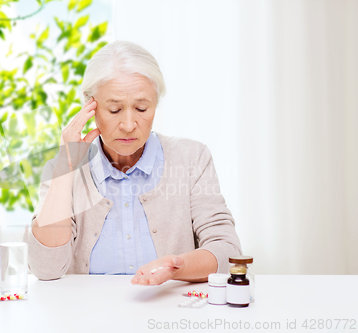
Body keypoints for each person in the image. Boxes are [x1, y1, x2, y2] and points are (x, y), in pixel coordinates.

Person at [27, 41, 242, 285]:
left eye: (141, 108)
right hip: (87, 315)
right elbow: (45, 268)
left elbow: (227, 251)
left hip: (168, 313)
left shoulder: (192, 158)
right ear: (90, 107)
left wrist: (177, 267)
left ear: (155, 104)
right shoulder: (63, 170)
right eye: (114, 110)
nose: (129, 125)